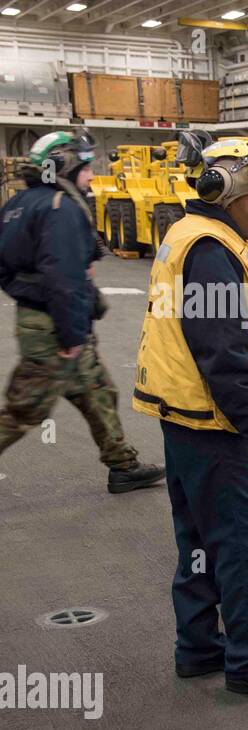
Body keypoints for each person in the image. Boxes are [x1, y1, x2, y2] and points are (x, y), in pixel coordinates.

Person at [132, 134, 248, 702]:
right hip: (215, 426)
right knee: (242, 546)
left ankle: (198, 649)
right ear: (227, 193)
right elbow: (222, 351)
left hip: (180, 417)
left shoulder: (184, 236)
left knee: (199, 541)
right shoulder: (212, 250)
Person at [0, 130, 165, 493]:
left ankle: (123, 465)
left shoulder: (18, 204)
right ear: (63, 165)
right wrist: (72, 334)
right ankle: (122, 462)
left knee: (97, 391)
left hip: (43, 321)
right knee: (24, 410)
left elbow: (7, 271)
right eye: (86, 166)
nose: (91, 176)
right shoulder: (59, 208)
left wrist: (29, 295)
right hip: (56, 331)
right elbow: (65, 280)